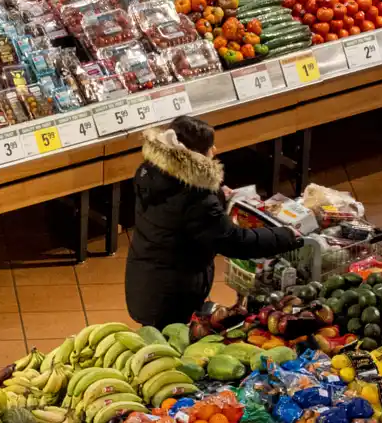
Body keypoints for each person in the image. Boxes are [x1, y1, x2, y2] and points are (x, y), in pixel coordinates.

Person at [125, 116, 303, 328]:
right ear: (196, 154)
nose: (215, 150)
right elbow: (234, 241)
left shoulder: (153, 171)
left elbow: (177, 210)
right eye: (210, 147)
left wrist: (216, 193)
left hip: (147, 281)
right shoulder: (196, 196)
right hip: (172, 296)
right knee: (172, 346)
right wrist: (285, 236)